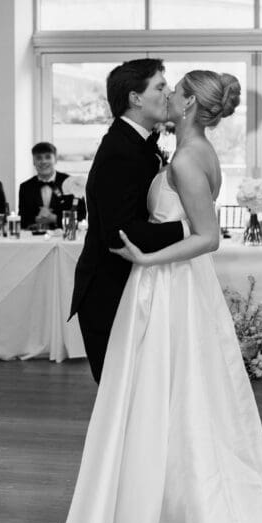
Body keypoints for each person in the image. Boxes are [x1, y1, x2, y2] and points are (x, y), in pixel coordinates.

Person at [57, 70, 262, 523]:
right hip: (147, 288)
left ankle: (161, 514)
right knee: (159, 400)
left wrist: (151, 254)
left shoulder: (187, 156)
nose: (166, 94)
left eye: (173, 90)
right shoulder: (164, 149)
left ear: (189, 103)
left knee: (160, 400)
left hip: (164, 285)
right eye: (160, 88)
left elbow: (207, 235)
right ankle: (153, 506)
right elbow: (126, 225)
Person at [69, 59, 187, 383]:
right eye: (160, 86)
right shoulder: (120, 151)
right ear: (136, 98)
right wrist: (188, 230)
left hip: (133, 282)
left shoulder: (138, 143)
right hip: (109, 291)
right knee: (119, 393)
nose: (169, 93)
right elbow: (121, 234)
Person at [18, 141, 86, 231]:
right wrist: (36, 219)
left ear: (55, 159)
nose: (43, 161)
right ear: (33, 161)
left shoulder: (71, 182)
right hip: (35, 239)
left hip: (64, 238)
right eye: (39, 158)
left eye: (48, 157)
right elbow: (22, 218)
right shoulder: (25, 187)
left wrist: (54, 218)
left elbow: (81, 216)